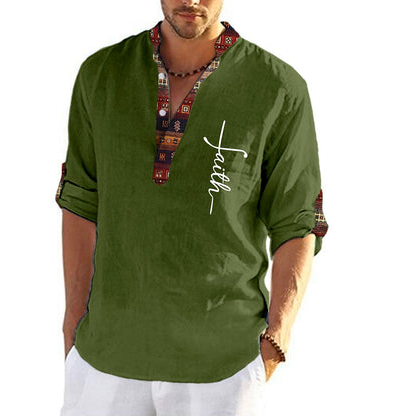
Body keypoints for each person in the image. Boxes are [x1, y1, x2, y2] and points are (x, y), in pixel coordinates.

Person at [55, 0, 329, 414]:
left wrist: (278, 337)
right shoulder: (102, 74)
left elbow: (297, 220)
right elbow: (80, 200)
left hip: (222, 366)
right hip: (104, 360)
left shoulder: (277, 87)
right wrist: (73, 322)